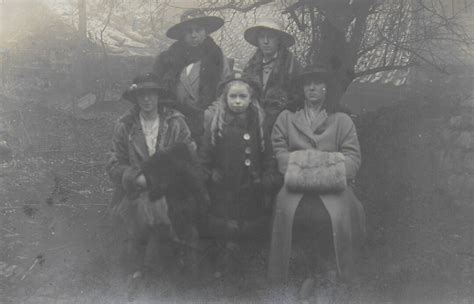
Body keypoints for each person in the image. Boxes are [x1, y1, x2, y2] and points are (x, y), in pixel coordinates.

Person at [267, 65, 366, 289]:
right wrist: (322, 164)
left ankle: (333, 270)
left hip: (333, 187)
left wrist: (310, 167)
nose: (311, 88)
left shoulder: (342, 120)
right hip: (295, 186)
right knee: (286, 210)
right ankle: (297, 272)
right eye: (307, 84)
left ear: (325, 88)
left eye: (317, 83)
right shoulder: (287, 118)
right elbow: (280, 154)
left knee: (341, 214)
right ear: (302, 88)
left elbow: (352, 160)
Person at [106, 72, 196, 278]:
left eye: (151, 94)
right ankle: (143, 270)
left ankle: (161, 270)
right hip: (135, 191)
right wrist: (134, 177)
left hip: (172, 189)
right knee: (137, 215)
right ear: (135, 98)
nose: (147, 99)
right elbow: (113, 163)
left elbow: (189, 157)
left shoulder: (175, 123)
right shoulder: (125, 125)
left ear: (158, 96)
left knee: (165, 213)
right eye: (142, 95)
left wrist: (161, 180)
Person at [199, 72, 281, 271]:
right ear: (225, 99)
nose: (237, 101)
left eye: (242, 97)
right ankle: (225, 253)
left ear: (251, 98)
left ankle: (247, 256)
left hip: (251, 187)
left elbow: (268, 157)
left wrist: (265, 179)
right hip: (223, 188)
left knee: (249, 226)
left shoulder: (259, 125)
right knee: (225, 226)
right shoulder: (216, 125)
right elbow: (204, 159)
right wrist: (210, 176)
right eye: (232, 97)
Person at [153, 9, 231, 144]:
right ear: (182, 34)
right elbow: (158, 90)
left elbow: (227, 91)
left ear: (206, 32)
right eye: (189, 31)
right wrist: (170, 115)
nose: (193, 35)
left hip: (206, 123)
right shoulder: (168, 59)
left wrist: (208, 115)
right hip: (175, 122)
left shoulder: (217, 58)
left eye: (198, 30)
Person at [243, 18, 302, 139]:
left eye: (271, 37)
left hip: (281, 124)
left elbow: (297, 98)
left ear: (279, 40)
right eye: (262, 37)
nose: (265, 42)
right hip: (252, 121)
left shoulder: (290, 65)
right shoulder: (251, 65)